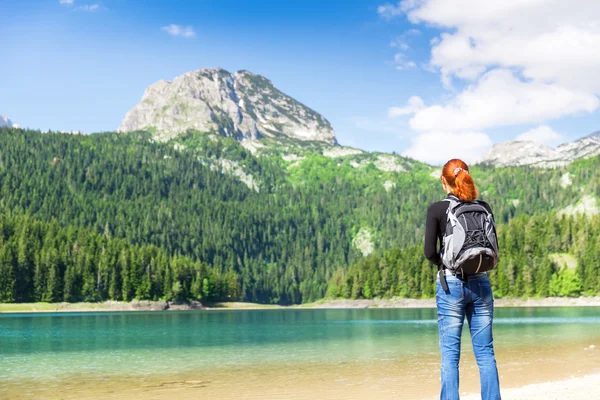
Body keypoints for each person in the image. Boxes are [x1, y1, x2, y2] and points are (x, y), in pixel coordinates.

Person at [424, 158, 501, 400]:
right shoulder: (484, 207)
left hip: (451, 286)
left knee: (450, 356)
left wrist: (445, 263)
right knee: (486, 353)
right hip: (481, 283)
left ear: (443, 181)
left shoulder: (437, 209)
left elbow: (429, 252)